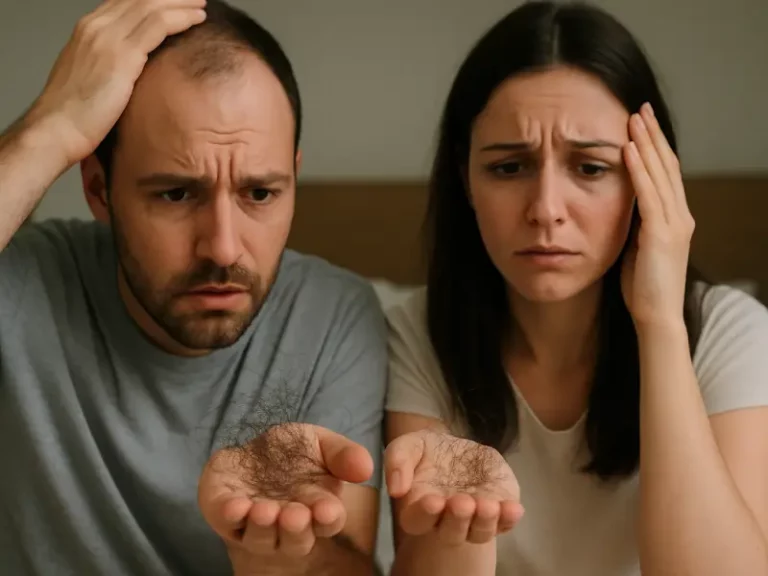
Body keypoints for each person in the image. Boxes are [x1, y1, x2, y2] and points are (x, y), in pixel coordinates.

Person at [382, 2, 768, 575]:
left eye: (590, 168)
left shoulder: (730, 331)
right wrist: (463, 519)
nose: (545, 211)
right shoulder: (417, 333)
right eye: (509, 168)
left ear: (647, 182)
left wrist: (660, 322)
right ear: (465, 180)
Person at [0, 1, 385, 574]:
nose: (224, 248)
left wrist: (265, 546)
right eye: (176, 195)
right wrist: (50, 130)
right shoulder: (23, 280)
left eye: (260, 194)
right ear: (100, 190)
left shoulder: (333, 316)